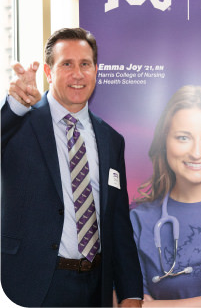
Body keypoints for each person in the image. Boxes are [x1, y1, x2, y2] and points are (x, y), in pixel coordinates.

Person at [1, 27, 143, 307]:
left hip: (95, 287)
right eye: (67, 64)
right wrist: (14, 108)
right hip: (35, 285)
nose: (77, 74)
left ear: (95, 70)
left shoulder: (111, 140)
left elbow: (118, 223)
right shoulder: (20, 124)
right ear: (48, 71)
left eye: (85, 64)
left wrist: (130, 293)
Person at [130, 85, 201, 307]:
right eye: (183, 138)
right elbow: (133, 304)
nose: (196, 152)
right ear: (165, 142)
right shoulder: (139, 221)